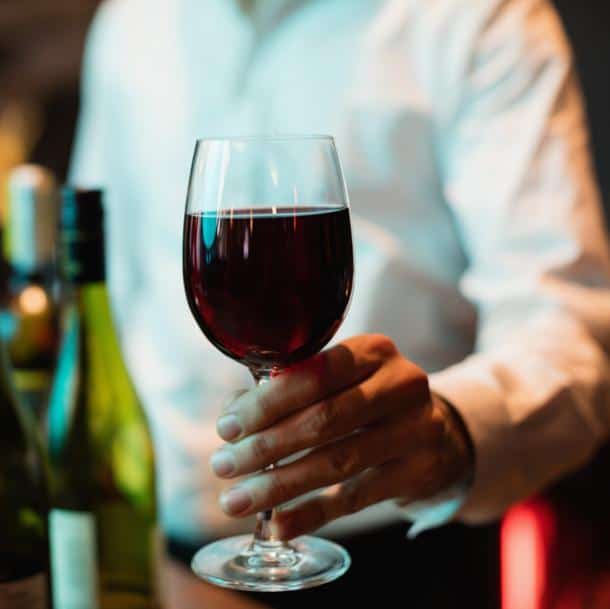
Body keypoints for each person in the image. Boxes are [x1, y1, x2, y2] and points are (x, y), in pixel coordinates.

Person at [67, 0, 610, 604]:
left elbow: (568, 332)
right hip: (166, 559)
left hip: (399, 556)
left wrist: (450, 429)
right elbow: (107, 290)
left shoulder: (480, 18)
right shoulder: (131, 22)